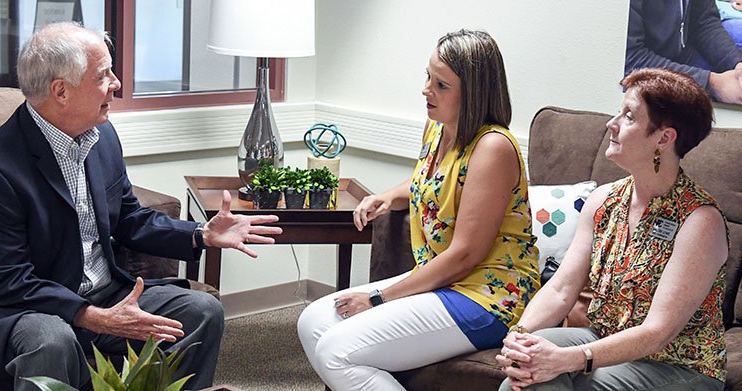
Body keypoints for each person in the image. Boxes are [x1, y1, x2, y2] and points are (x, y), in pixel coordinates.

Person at [0, 22, 282, 390]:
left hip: (104, 290)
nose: (117, 83)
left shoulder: (102, 135)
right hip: (24, 305)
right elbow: (5, 280)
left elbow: (129, 217)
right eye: (102, 75)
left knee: (200, 311)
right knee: (52, 340)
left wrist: (200, 234)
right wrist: (90, 316)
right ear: (60, 91)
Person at [297, 29, 540, 391]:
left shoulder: (493, 148)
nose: (427, 89)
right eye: (428, 76)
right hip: (443, 282)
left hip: (486, 296)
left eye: (441, 85)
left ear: (473, 93)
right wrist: (389, 197)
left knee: (337, 351)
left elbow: (465, 255)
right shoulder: (438, 127)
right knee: (313, 320)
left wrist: (376, 299)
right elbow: (432, 184)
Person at [497, 68, 728, 390]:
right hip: (604, 338)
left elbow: (657, 333)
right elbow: (561, 289)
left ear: (664, 138)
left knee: (565, 380)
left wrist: (568, 359)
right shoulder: (604, 200)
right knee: (526, 367)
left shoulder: (700, 221)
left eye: (629, 116)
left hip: (675, 364)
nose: (612, 123)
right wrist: (519, 336)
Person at [626, 0, 742, 104]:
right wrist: (713, 84)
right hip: (643, 67)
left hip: (681, 51)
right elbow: (630, 61)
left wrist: (736, 64)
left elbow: (704, 20)